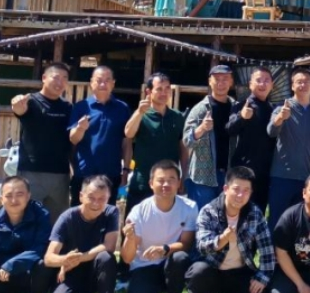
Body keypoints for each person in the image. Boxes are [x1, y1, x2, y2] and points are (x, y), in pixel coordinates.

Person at [184, 166, 275, 293]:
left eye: (246, 191)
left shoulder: (255, 213)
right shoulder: (208, 211)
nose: (240, 195)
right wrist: (222, 239)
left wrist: (261, 277)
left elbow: (267, 250)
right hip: (212, 270)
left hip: (238, 272)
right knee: (196, 273)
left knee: (262, 292)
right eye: (236, 189)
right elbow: (202, 247)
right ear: (226, 189)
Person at [121, 160, 197, 293]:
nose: (166, 184)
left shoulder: (189, 207)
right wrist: (130, 238)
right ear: (151, 183)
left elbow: (186, 244)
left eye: (171, 180)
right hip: (144, 266)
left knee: (180, 257)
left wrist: (165, 248)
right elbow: (127, 258)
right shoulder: (139, 211)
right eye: (161, 180)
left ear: (179, 183)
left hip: (171, 265)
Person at [45, 175, 119, 293]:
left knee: (106, 257)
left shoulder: (111, 212)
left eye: (102, 199)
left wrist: (81, 258)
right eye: (91, 197)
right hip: (70, 272)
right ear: (81, 196)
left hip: (95, 272)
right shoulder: (67, 217)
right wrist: (65, 260)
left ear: (108, 198)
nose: (96, 203)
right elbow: (49, 258)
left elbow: (110, 246)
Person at [10, 62, 73, 228]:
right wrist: (16, 105)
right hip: (31, 172)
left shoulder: (68, 107)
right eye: (56, 77)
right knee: (27, 220)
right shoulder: (30, 101)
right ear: (44, 78)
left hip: (60, 174)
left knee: (57, 225)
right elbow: (19, 110)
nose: (60, 82)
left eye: (64, 78)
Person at [68, 65, 132, 206]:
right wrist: (80, 128)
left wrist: (126, 171)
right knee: (79, 214)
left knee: (107, 214)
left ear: (113, 83)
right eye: (99, 80)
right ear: (91, 83)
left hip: (111, 174)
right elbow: (73, 139)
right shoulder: (81, 107)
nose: (103, 84)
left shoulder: (122, 108)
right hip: (84, 173)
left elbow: (126, 142)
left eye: (107, 80)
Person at [266, 68, 310, 231]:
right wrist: (280, 118)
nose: (303, 85)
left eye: (306, 82)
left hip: (307, 176)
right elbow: (271, 131)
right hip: (282, 175)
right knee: (277, 220)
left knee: (301, 223)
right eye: (299, 82)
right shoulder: (283, 107)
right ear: (292, 86)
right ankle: (273, 249)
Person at [124, 72, 187, 214]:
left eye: (167, 88)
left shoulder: (177, 117)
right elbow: (128, 133)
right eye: (159, 89)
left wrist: (184, 175)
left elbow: (183, 149)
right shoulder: (142, 115)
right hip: (143, 182)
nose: (164, 93)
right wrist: (139, 112)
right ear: (149, 91)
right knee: (134, 223)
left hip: (168, 184)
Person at [183, 63, 236, 210]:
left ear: (231, 82)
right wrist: (201, 129)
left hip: (229, 175)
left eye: (225, 79)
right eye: (217, 79)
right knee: (202, 218)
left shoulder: (236, 108)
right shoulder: (200, 109)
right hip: (203, 177)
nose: (221, 83)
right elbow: (187, 140)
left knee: (225, 218)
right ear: (209, 81)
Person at [226, 67, 277, 212]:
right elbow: (229, 129)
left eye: (266, 80)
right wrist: (242, 117)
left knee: (259, 211)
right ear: (250, 84)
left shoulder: (273, 109)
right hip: (243, 169)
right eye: (258, 80)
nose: (262, 84)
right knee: (238, 210)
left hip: (265, 172)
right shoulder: (241, 105)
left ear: (272, 85)